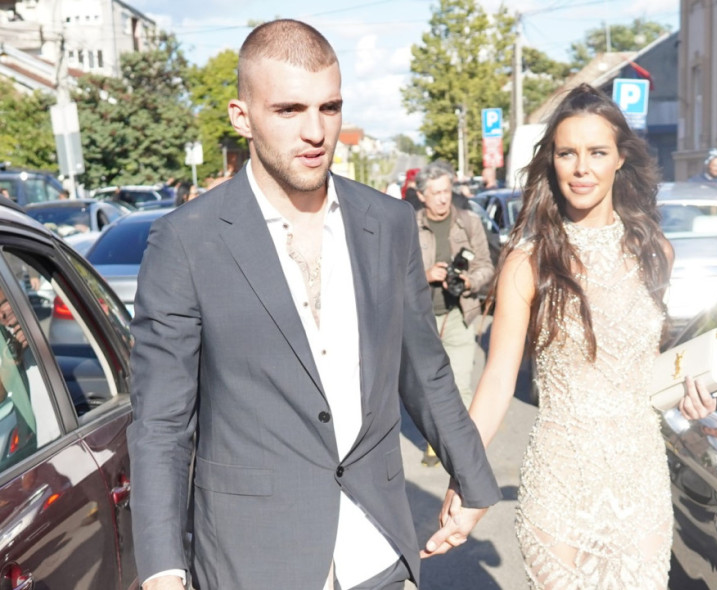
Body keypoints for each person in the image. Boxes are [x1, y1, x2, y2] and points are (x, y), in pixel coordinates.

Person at [127, 19, 500, 590]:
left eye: (330, 107)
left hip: (376, 547)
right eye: (288, 110)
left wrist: (472, 476)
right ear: (241, 116)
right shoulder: (187, 240)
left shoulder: (389, 222)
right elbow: (162, 423)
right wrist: (162, 570)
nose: (315, 131)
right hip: (252, 561)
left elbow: (423, 368)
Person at [439, 83, 716, 588]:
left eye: (597, 152)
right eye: (567, 153)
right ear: (552, 161)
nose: (582, 168)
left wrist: (687, 395)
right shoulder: (527, 262)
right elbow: (497, 382)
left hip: (641, 483)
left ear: (620, 159)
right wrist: (466, 478)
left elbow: (644, 364)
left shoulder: (657, 252)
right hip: (559, 485)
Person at [415, 162, 493, 466]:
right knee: (429, 387)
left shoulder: (469, 222)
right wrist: (426, 275)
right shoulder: (408, 226)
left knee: (460, 385)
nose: (443, 198)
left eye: (446, 191)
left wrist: (469, 281)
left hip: (460, 315)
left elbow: (486, 264)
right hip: (422, 320)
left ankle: (463, 451)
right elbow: (393, 273)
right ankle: (435, 442)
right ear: (421, 196)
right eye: (435, 193)